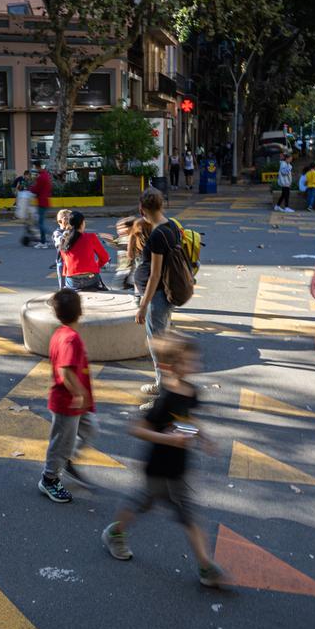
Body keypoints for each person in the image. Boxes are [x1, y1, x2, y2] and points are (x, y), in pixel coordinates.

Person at [100, 332, 223, 588]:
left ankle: (205, 566)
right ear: (171, 366)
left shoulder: (191, 392)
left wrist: (203, 437)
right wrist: (169, 439)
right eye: (189, 362)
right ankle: (114, 532)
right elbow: (137, 429)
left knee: (187, 514)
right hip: (158, 468)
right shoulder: (163, 399)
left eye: (195, 360)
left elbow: (187, 420)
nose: (195, 366)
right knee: (141, 504)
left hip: (178, 469)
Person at [38, 288, 97, 503]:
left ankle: (68, 460)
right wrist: (79, 394)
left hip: (76, 404)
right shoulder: (70, 339)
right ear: (80, 311)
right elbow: (65, 370)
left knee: (90, 429)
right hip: (67, 403)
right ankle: (49, 478)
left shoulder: (62, 333)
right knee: (61, 442)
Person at [133, 187, 180, 409]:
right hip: (164, 295)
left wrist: (143, 306)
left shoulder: (158, 234)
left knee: (159, 346)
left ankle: (164, 397)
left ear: (142, 209)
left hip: (157, 297)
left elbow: (155, 275)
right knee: (161, 343)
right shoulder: (171, 225)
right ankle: (162, 384)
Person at [58, 211, 110, 291]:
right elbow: (105, 257)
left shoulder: (64, 240)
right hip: (91, 278)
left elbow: (66, 260)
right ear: (82, 223)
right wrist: (94, 266)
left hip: (72, 280)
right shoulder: (91, 237)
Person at [32, 161, 53, 247]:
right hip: (45, 201)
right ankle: (43, 241)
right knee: (41, 222)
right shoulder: (46, 175)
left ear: (37, 167)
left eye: (35, 167)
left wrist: (30, 189)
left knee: (39, 223)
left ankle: (52, 235)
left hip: (41, 202)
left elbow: (36, 189)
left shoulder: (41, 177)